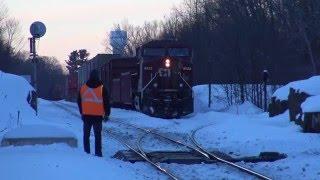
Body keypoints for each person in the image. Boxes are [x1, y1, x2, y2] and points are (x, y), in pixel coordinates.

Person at [77, 70, 110, 157]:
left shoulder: (83, 88)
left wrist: (82, 112)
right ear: (98, 76)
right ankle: (98, 154)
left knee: (86, 135)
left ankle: (86, 152)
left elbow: (79, 101)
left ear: (89, 76)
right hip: (98, 117)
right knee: (98, 136)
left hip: (86, 116)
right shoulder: (102, 88)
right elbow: (106, 102)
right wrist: (107, 114)